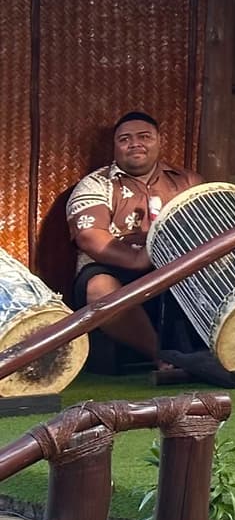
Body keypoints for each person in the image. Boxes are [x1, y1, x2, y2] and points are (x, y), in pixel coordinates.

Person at [67, 110, 202, 370]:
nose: (135, 144)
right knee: (99, 288)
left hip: (179, 266)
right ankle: (162, 357)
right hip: (115, 267)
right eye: (125, 139)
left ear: (160, 141)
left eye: (144, 137)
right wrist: (140, 258)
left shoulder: (188, 181)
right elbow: (89, 236)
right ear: (115, 147)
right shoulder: (95, 184)